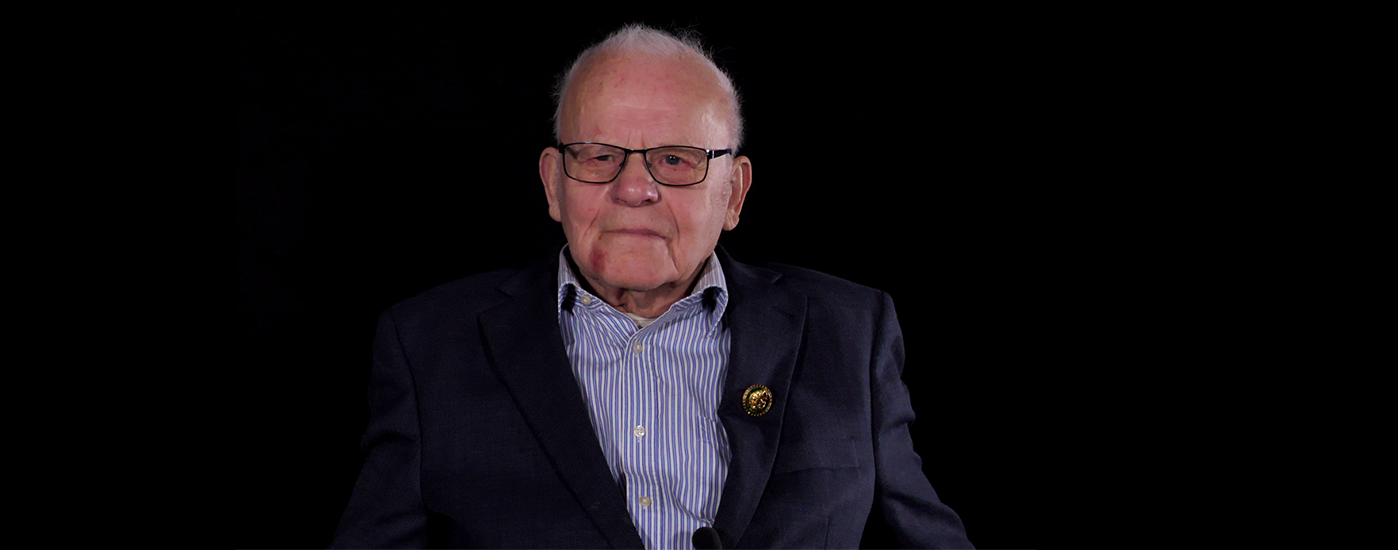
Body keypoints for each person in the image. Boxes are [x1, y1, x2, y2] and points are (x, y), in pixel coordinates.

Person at [332, 24, 971, 549]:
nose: (634, 189)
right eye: (599, 156)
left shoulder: (850, 333)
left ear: (734, 192)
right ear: (553, 183)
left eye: (675, 160)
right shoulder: (429, 346)